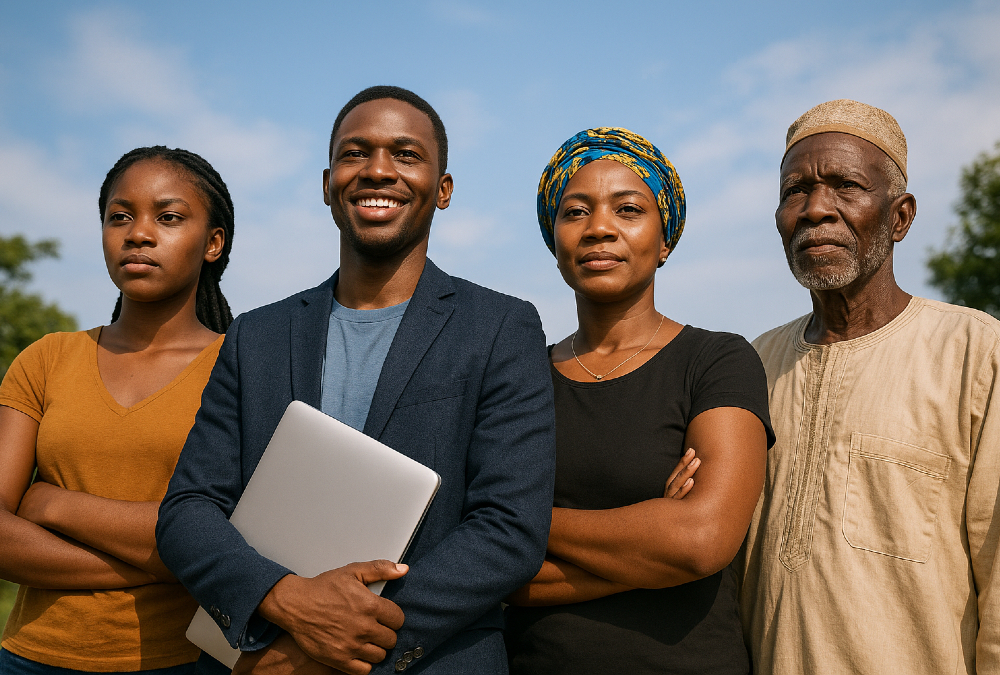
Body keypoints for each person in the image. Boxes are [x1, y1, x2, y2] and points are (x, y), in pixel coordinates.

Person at [155, 86, 556, 675]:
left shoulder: (500, 326)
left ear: (444, 189)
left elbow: (509, 529)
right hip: (256, 658)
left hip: (425, 660)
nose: (378, 170)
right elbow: (189, 509)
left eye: (406, 154)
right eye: (355, 153)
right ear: (327, 184)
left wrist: (343, 640)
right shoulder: (255, 335)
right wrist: (283, 603)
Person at [738, 99, 1000, 674]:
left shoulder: (975, 353)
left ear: (900, 218)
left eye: (846, 187)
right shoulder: (753, 365)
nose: (816, 210)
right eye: (795, 191)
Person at [503, 127, 773, 675]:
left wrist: (518, 522)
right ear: (555, 241)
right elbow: (493, 577)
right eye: (575, 212)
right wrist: (652, 546)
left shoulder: (716, 360)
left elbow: (701, 541)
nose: (600, 228)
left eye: (628, 210)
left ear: (665, 238)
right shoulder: (517, 377)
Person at [0, 146, 236, 674]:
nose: (138, 234)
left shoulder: (240, 368)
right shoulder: (48, 358)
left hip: (184, 661)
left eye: (168, 217)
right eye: (119, 217)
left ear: (213, 243)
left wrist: (52, 504)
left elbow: (238, 533)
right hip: (29, 659)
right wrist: (171, 565)